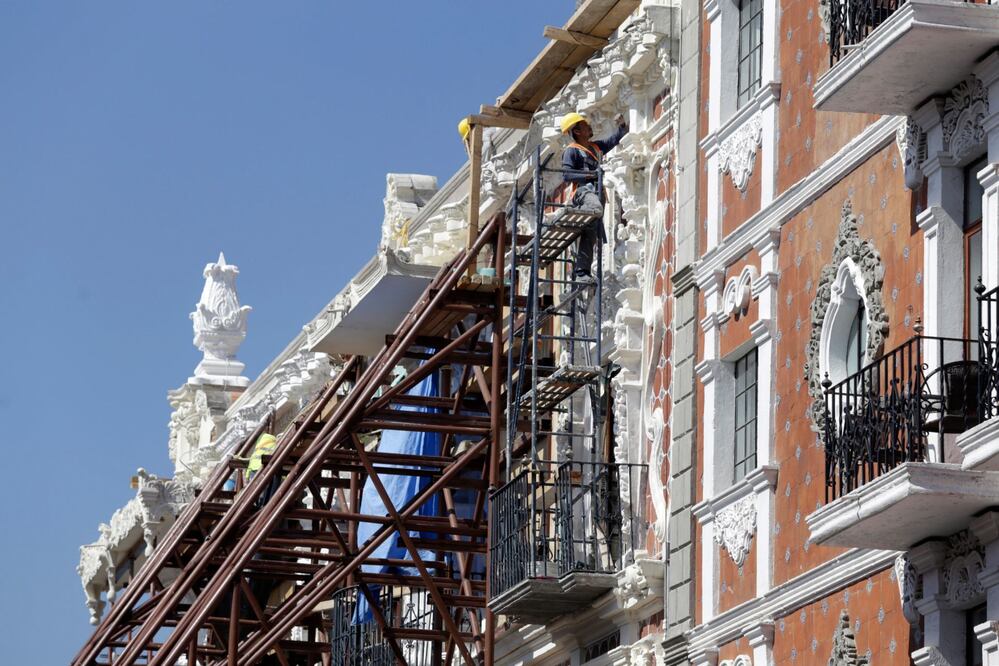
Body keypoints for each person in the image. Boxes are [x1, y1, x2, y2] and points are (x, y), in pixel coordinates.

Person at [560, 112, 628, 283]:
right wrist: (590, 175)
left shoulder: (595, 148)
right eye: (584, 125)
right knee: (595, 209)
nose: (588, 126)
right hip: (583, 193)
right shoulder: (572, 151)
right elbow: (567, 175)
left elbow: (614, 140)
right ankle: (583, 213)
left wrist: (621, 126)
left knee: (590, 234)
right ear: (576, 131)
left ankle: (582, 271)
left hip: (598, 194)